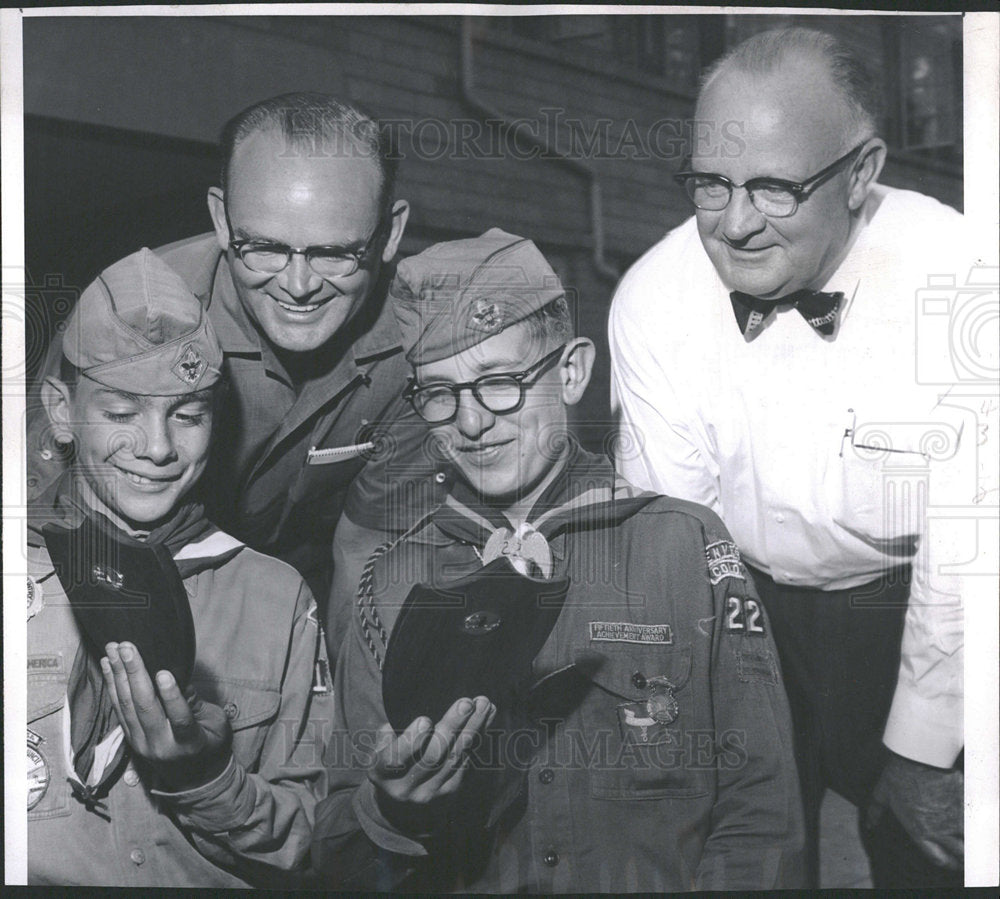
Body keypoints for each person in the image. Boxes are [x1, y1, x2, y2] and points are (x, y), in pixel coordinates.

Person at [311, 229, 805, 891]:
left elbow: (761, 811)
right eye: (439, 393)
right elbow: (338, 852)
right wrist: (394, 809)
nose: (472, 421)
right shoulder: (397, 582)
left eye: (500, 383)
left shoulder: (684, 548)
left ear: (571, 372)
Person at [609, 27, 971, 888]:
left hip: (920, 605)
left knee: (938, 850)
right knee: (735, 853)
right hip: (747, 608)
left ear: (859, 173)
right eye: (712, 184)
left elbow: (972, 546)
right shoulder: (655, 296)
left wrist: (927, 750)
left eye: (774, 187)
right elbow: (670, 540)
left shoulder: (962, 277)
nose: (734, 224)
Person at [26, 92, 441, 656]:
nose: (298, 287)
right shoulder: (135, 315)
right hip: (130, 584)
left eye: (336, 253)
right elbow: (38, 509)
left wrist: (364, 720)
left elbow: (374, 551)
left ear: (390, 235)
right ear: (222, 219)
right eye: (265, 247)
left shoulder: (423, 343)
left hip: (295, 611)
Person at [27, 249, 328, 886]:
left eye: (188, 414)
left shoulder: (276, 599)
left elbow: (309, 841)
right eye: (120, 413)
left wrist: (207, 779)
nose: (159, 448)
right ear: (60, 411)